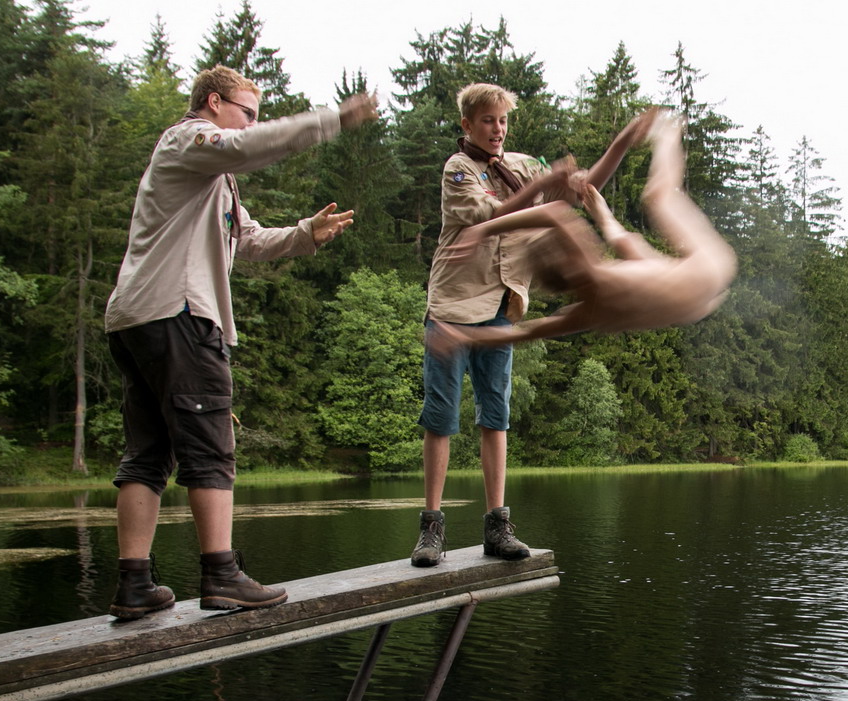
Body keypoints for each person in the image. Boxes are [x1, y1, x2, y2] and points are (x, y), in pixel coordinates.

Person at [104, 65, 377, 620]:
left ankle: (134, 585)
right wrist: (331, 120)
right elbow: (246, 147)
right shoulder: (189, 140)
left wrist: (304, 234)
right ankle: (221, 575)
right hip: (179, 315)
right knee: (210, 446)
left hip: (138, 319)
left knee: (147, 454)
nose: (251, 124)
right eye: (246, 112)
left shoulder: (210, 177)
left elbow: (247, 239)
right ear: (213, 102)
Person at [410, 83, 586, 568]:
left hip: (501, 308)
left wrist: (573, 180)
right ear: (468, 125)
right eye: (488, 120)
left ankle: (497, 527)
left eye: (503, 120)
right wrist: (545, 188)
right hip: (452, 310)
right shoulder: (458, 170)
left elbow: (567, 193)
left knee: (496, 415)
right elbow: (498, 214)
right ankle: (431, 530)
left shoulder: (522, 165)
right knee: (441, 418)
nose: (497, 129)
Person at [426, 111, 736, 354]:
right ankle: (668, 132)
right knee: (658, 197)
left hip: (692, 305)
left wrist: (464, 338)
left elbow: (525, 333)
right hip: (707, 269)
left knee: (625, 247)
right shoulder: (595, 275)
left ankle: (603, 212)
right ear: (573, 257)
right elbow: (554, 213)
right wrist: (483, 230)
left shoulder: (587, 312)